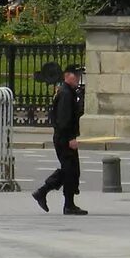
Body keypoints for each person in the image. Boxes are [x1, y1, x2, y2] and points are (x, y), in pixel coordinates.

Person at [33, 66, 87, 215]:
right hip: (64, 138)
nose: (77, 78)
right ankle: (63, 203)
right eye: (75, 75)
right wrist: (70, 138)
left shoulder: (68, 92)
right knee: (70, 170)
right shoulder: (65, 94)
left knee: (70, 170)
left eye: (78, 75)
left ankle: (47, 194)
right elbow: (63, 120)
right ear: (67, 76)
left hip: (64, 137)